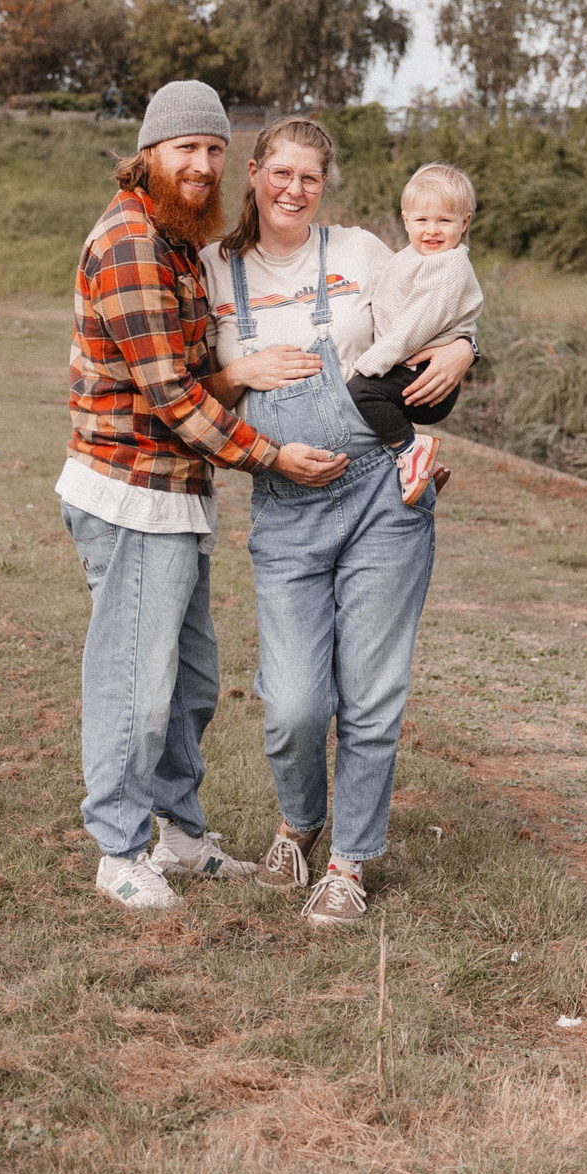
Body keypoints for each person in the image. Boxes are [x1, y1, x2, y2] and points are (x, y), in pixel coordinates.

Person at [59, 81, 349, 912]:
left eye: (215, 149)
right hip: (130, 496)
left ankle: (180, 835)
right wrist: (273, 456)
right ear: (150, 150)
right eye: (187, 147)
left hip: (175, 493)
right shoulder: (131, 244)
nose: (202, 163)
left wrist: (244, 374)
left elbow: (191, 379)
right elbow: (174, 402)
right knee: (134, 685)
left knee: (190, 682)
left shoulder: (179, 239)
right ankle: (118, 850)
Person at [203, 118, 476, 927]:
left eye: (310, 178)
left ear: (324, 185)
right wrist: (240, 372)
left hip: (380, 497)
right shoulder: (215, 267)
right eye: (279, 173)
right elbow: (188, 392)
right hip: (283, 500)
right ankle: (299, 817)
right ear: (252, 174)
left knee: (371, 691)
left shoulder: (361, 252)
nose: (293, 189)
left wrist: (464, 345)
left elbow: (442, 291)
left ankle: (348, 861)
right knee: (292, 703)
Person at [344, 162, 483, 506]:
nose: (432, 230)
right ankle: (422, 469)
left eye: (445, 221)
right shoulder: (408, 258)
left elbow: (415, 325)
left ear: (464, 222)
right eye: (422, 221)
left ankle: (413, 450)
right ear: (406, 220)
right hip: (408, 370)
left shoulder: (450, 266)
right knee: (368, 400)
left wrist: (368, 364)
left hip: (430, 377)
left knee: (361, 391)